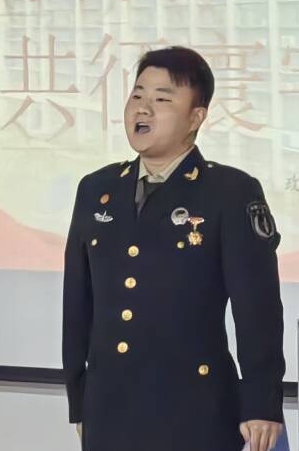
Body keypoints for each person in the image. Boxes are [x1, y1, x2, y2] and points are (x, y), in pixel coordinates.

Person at [62, 46, 285, 451]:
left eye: (162, 99)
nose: (143, 108)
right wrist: (80, 401)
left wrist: (261, 403)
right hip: (109, 410)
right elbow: (78, 302)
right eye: (137, 95)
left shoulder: (229, 192)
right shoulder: (96, 189)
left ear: (195, 118)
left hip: (195, 410)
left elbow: (258, 308)